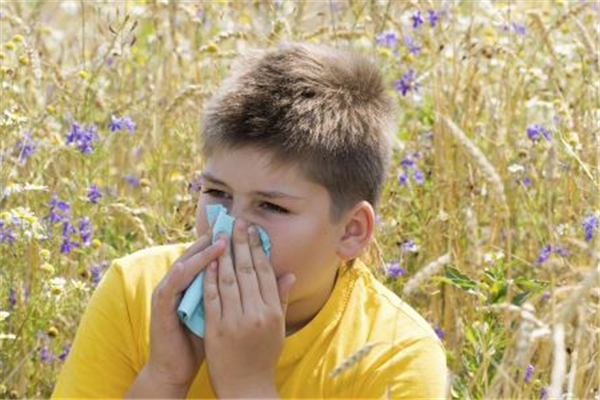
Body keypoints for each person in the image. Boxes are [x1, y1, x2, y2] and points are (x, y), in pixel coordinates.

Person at [51, 41, 447, 399]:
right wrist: (164, 377)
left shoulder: (395, 355)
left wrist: (247, 386)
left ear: (351, 230)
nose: (230, 228)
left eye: (271, 207)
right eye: (217, 194)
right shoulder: (136, 292)